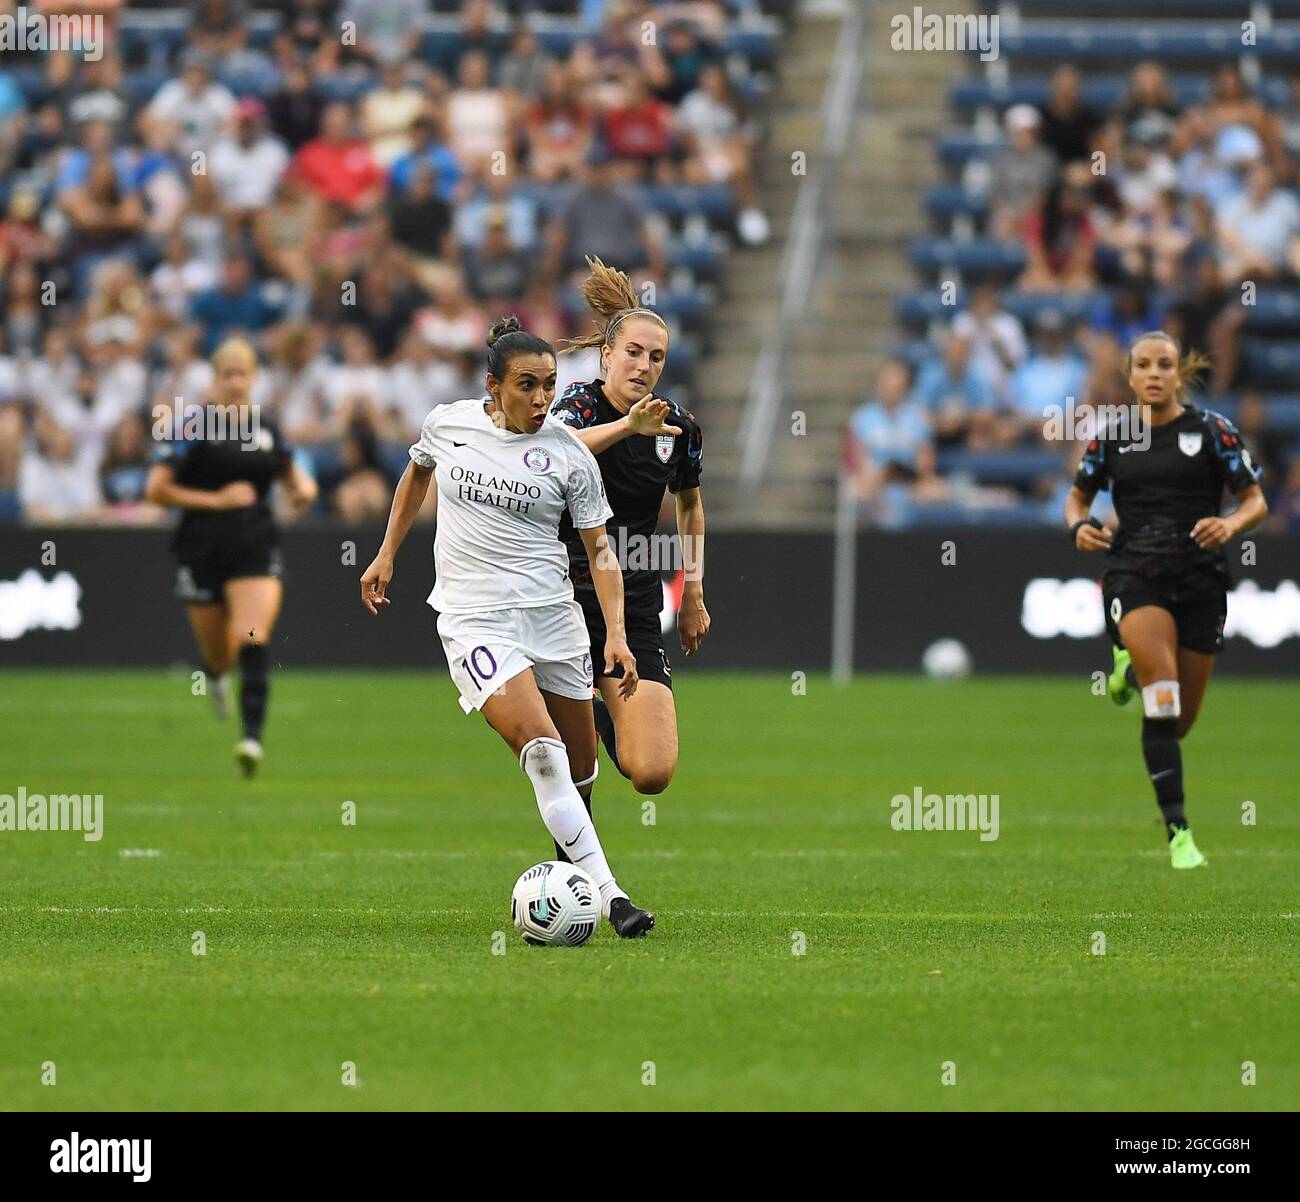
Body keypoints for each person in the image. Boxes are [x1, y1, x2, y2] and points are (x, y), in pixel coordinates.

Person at [359, 316, 655, 938]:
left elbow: (601, 551)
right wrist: (388, 552)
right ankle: (610, 895)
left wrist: (619, 635)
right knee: (543, 754)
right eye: (528, 385)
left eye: (549, 384)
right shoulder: (450, 424)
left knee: (579, 766)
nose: (543, 399)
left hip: (553, 619)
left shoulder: (570, 454)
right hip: (473, 620)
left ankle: (571, 859)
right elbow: (417, 472)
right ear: (493, 386)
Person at [1064, 331, 1267, 869]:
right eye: (1144, 365)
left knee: (1178, 722)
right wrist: (1078, 528)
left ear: (1179, 374)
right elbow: (1077, 497)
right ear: (1130, 376)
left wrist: (1231, 524)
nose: (1154, 374)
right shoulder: (1112, 438)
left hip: (1201, 583)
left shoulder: (1213, 432)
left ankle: (1129, 672)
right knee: (1165, 696)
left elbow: (1255, 500)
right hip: (1136, 576)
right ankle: (1180, 834)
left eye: (1165, 365)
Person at [549, 255, 708, 811]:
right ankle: (576, 877)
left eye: (656, 356)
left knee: (652, 773)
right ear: (606, 355)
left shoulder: (678, 426)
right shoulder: (579, 404)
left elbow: (690, 505)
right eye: (633, 352)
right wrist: (627, 427)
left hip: (633, 602)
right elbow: (557, 452)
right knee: (571, 763)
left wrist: (693, 592)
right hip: (559, 598)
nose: (644, 365)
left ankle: (598, 711)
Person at [144, 338, 318, 776]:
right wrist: (217, 500)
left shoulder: (266, 426)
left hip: (254, 544)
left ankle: (251, 739)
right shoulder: (193, 425)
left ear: (254, 378)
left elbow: (293, 474)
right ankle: (217, 676)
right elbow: (157, 490)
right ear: (215, 378)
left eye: (244, 374)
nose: (236, 383)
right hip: (200, 545)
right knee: (219, 655)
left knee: (252, 636)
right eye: (228, 374)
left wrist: (303, 489)